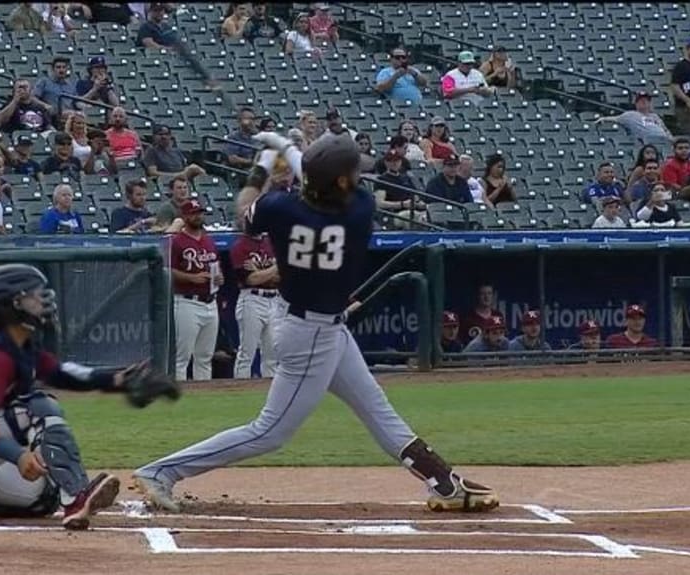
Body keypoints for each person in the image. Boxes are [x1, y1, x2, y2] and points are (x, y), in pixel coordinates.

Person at [132, 131, 498, 514]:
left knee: (375, 407)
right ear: (340, 181)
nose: (359, 177)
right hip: (310, 335)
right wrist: (289, 150)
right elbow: (319, 185)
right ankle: (162, 472)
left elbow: (249, 210)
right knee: (271, 431)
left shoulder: (281, 208)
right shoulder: (359, 210)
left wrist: (264, 162)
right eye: (352, 172)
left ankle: (441, 480)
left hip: (313, 323)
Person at [0, 263, 178, 529]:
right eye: (34, 296)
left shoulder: (19, 346)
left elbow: (63, 373)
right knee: (39, 407)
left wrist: (119, 380)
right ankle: (77, 497)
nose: (43, 301)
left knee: (42, 497)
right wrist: (17, 455)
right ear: (12, 304)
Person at [169, 200, 222, 381]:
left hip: (210, 300)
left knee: (205, 357)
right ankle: (180, 398)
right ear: (184, 217)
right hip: (187, 301)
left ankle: (203, 396)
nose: (198, 216)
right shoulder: (177, 241)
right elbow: (169, 270)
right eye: (193, 213)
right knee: (182, 357)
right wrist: (191, 277)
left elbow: (215, 266)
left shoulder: (208, 240)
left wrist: (219, 277)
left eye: (200, 212)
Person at [229, 226, 280, 379]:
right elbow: (251, 279)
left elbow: (281, 278)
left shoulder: (271, 243)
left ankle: (268, 394)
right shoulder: (240, 246)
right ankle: (238, 393)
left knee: (272, 354)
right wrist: (274, 268)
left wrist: (259, 270)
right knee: (247, 353)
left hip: (274, 299)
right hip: (251, 299)